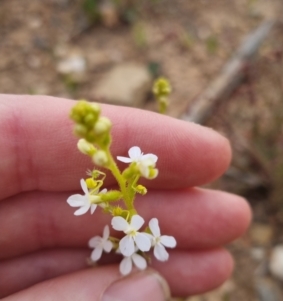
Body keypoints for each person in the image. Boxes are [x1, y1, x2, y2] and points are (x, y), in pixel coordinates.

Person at [0, 95, 251, 300]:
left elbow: (128, 204)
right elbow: (121, 208)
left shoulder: (127, 176)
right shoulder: (112, 188)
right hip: (128, 234)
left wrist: (131, 180)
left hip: (136, 226)